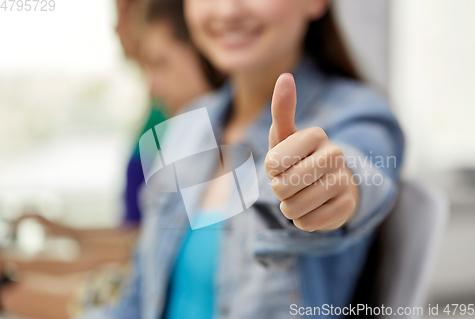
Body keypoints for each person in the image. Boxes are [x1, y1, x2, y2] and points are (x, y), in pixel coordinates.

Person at [81, 0, 405, 318]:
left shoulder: (357, 115)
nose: (227, 10)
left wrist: (332, 188)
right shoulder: (185, 127)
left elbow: (358, 168)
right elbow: (138, 296)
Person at [0, 0, 221, 317]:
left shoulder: (201, 135)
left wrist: (16, 282)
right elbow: (141, 255)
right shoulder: (182, 127)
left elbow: (136, 265)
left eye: (126, 13)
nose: (118, 27)